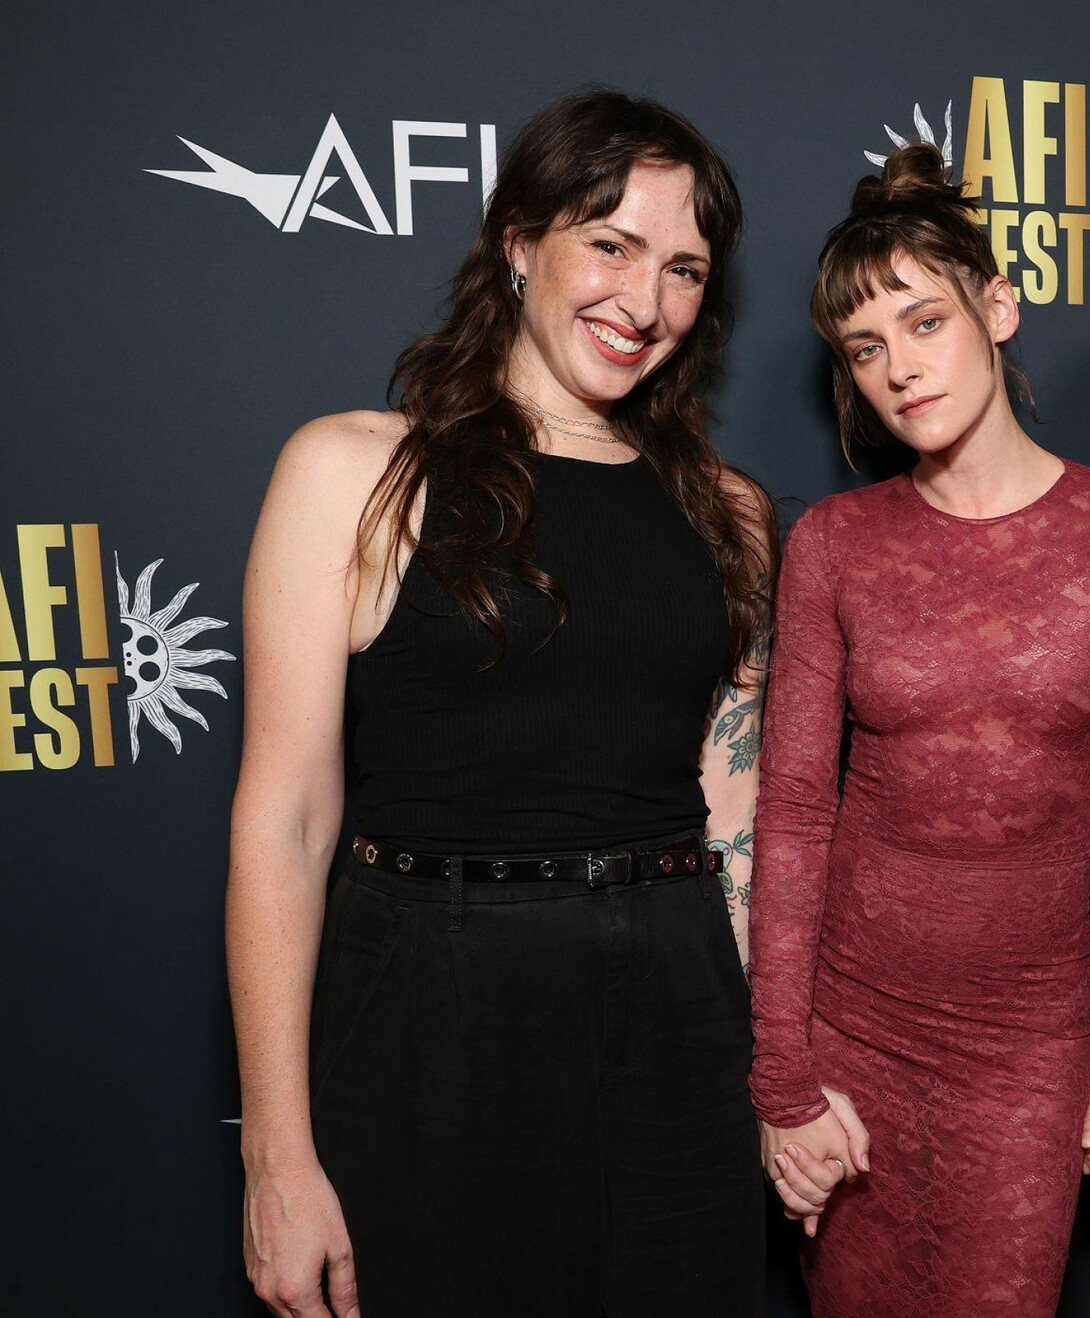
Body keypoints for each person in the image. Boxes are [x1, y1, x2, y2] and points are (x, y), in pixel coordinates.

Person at [225, 91, 775, 1318]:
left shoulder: (728, 515)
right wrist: (275, 1153)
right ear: (520, 241)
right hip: (437, 999)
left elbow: (735, 822)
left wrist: (773, 1070)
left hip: (682, 1002)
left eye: (684, 269)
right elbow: (287, 823)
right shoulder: (358, 471)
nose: (644, 301)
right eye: (612, 245)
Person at [745, 143, 1090, 1317]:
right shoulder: (833, 544)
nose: (898, 368)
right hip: (851, 1032)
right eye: (864, 348)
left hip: (1028, 1050)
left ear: (998, 307)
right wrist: (783, 1078)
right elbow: (793, 815)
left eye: (924, 321)